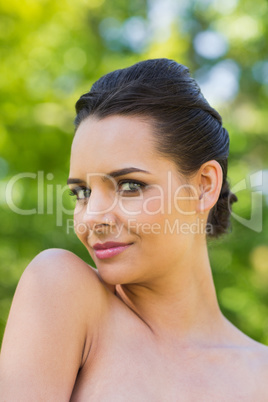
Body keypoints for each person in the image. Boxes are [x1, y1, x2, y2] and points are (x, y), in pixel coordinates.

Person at [0, 58, 268, 401]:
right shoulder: (61, 291)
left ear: (204, 186)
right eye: (82, 193)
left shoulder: (260, 376)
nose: (91, 217)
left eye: (129, 186)